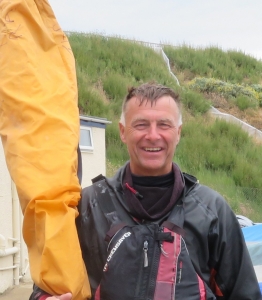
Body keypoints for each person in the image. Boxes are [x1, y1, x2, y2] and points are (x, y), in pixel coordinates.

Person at [30, 82, 261, 300]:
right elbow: (46, 285)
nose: (153, 135)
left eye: (164, 124)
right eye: (141, 124)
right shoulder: (87, 206)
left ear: (178, 133)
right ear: (122, 131)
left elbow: (245, 293)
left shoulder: (212, 211)